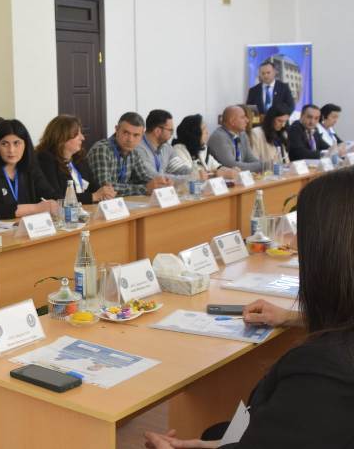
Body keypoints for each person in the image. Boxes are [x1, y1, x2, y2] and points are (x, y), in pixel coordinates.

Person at [145, 168, 354, 448]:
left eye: (300, 234)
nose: (293, 243)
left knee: (215, 432)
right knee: (215, 433)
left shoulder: (323, 372)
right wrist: (292, 317)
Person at [0, 119, 59, 219]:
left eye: (16, 143)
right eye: (4, 144)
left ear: (25, 145)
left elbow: (50, 194)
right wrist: (35, 208)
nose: (11, 150)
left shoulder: (30, 166)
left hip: (28, 225)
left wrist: (54, 202)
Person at [86, 112, 171, 196]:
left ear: (142, 135)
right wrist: (145, 189)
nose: (130, 139)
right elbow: (106, 189)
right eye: (126, 133)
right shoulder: (102, 150)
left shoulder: (134, 153)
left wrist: (161, 183)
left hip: (118, 202)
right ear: (116, 130)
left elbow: (144, 178)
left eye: (136, 135)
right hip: (93, 203)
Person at [35, 115, 116, 204]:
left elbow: (94, 187)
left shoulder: (79, 159)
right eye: (77, 134)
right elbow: (57, 197)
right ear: (62, 137)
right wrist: (93, 196)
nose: (83, 138)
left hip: (85, 210)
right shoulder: (45, 160)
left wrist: (105, 192)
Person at [172, 115, 238, 180]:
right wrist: (216, 174)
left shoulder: (202, 148)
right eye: (204, 129)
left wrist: (229, 171)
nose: (207, 132)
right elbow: (190, 176)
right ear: (194, 133)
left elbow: (217, 167)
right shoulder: (178, 150)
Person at [136, 109, 192, 181]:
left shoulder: (166, 147)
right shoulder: (138, 148)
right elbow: (153, 177)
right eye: (170, 130)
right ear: (157, 131)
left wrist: (196, 173)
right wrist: (190, 178)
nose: (172, 134)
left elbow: (179, 169)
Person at [207, 106, 263, 172]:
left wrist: (264, 165)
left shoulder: (242, 134)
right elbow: (231, 165)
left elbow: (250, 158)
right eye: (242, 117)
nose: (247, 120)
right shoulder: (219, 137)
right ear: (232, 121)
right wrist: (263, 166)